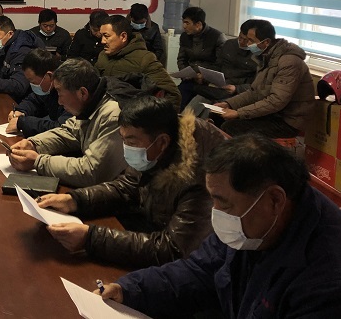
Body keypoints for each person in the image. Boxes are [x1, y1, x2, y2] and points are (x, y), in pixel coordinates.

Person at [100, 134, 341, 318]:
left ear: (274, 199)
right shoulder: (260, 222)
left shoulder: (336, 292)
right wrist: (130, 290)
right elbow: (201, 269)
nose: (216, 213)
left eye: (223, 203)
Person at [36, 97, 225, 268]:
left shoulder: (202, 177)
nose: (127, 148)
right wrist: (75, 200)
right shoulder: (154, 150)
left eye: (132, 143)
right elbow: (125, 187)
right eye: (124, 140)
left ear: (162, 142)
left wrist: (91, 238)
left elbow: (172, 249)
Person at [7, 59, 126, 188]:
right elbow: (69, 132)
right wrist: (33, 144)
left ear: (82, 93)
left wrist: (38, 162)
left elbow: (92, 172)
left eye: (60, 93)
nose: (59, 102)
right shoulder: (91, 104)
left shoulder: (113, 115)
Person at [215, 19, 315, 138]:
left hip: (288, 120)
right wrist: (229, 104)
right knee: (217, 117)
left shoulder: (289, 62)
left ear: (266, 42)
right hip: (273, 113)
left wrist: (239, 113)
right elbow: (255, 92)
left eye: (251, 41)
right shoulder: (266, 57)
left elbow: (277, 101)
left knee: (231, 126)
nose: (247, 44)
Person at [95, 15, 181, 110]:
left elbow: (173, 94)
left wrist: (154, 117)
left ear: (123, 36)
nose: (102, 41)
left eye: (106, 36)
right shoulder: (103, 55)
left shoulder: (144, 59)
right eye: (101, 36)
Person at [187, 20, 258, 119]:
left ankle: (196, 124)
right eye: (240, 37)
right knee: (199, 97)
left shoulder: (258, 54)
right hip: (220, 85)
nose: (242, 42)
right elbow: (218, 66)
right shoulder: (229, 44)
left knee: (211, 104)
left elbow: (257, 85)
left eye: (246, 40)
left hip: (239, 91)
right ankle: (184, 122)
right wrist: (205, 75)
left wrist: (237, 88)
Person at [6, 49, 71, 136]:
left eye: (33, 81)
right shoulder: (49, 87)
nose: (31, 85)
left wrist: (23, 123)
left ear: (49, 76)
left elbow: (62, 128)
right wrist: (21, 111)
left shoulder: (70, 89)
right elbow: (34, 100)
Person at [177, 6, 227, 109]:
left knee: (194, 107)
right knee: (176, 100)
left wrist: (203, 77)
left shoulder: (217, 37)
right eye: (183, 22)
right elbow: (181, 59)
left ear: (198, 24)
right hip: (190, 79)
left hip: (209, 83)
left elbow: (221, 64)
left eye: (187, 23)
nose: (184, 26)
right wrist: (185, 74)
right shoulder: (184, 37)